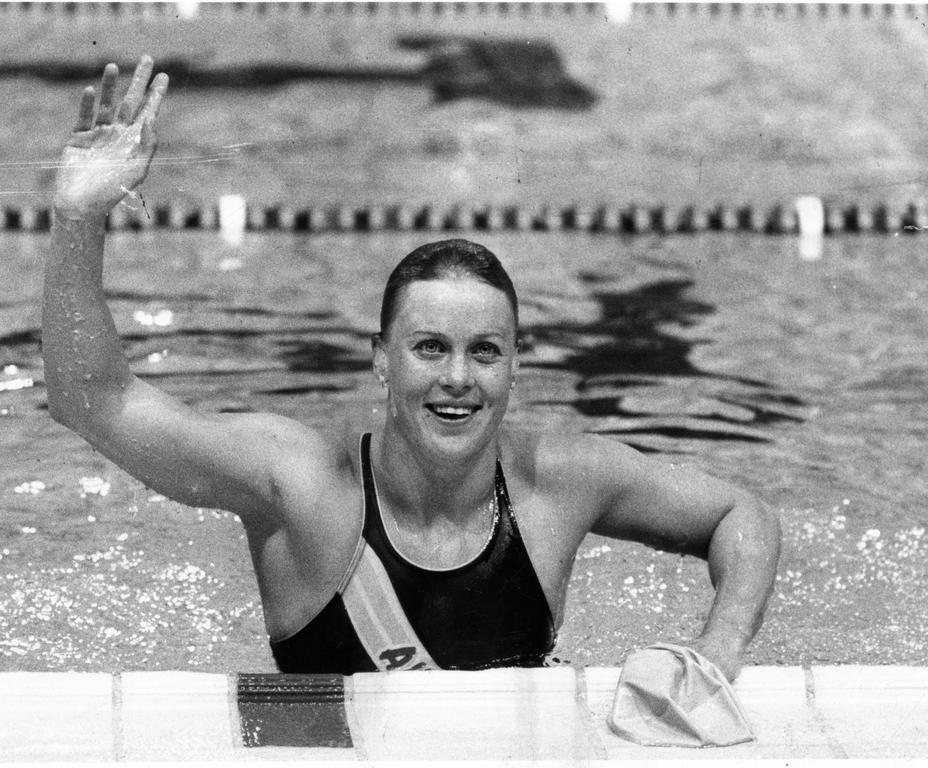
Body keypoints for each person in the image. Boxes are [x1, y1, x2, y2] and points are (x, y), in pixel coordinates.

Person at [43, 56, 780, 679]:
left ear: (514, 369)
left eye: (484, 351)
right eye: (430, 348)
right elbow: (93, 401)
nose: (458, 377)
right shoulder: (302, 487)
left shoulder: (561, 484)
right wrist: (79, 217)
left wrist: (716, 653)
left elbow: (739, 514)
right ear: (382, 364)